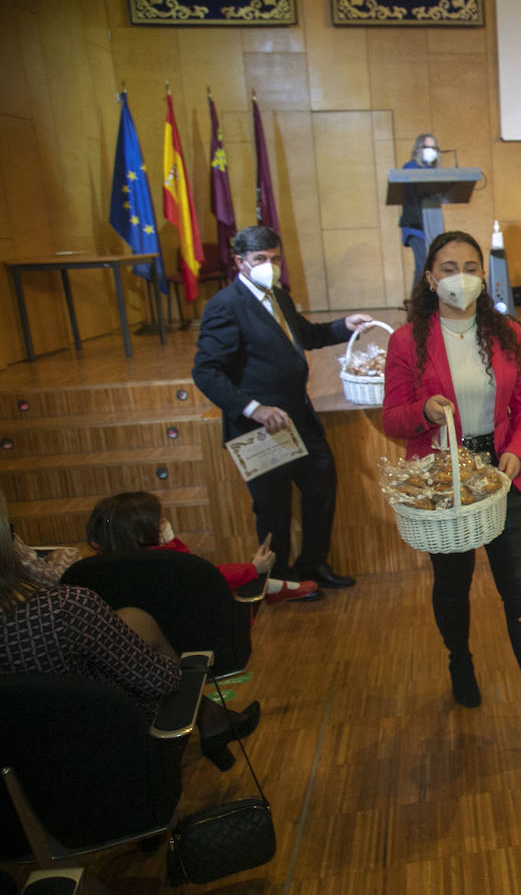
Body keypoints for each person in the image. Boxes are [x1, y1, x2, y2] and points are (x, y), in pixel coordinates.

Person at [381, 230, 521, 752]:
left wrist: (519, 447)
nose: (460, 277)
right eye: (448, 267)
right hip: (444, 480)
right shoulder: (407, 341)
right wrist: (423, 411)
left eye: (470, 266)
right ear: (429, 278)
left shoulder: (508, 331)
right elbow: (392, 419)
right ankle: (459, 660)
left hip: (503, 473)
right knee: (453, 583)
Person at [0, 489, 258, 769]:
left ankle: (212, 718)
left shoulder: (77, 584)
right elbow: (162, 680)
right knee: (140, 630)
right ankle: (211, 719)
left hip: (26, 766)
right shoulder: (66, 606)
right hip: (107, 757)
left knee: (134, 619)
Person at [192, 225, 372, 591]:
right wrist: (253, 408)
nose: (269, 266)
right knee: (273, 508)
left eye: (275, 259)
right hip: (259, 426)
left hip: (297, 415)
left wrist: (343, 326)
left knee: (321, 487)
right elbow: (206, 372)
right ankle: (279, 581)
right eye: (260, 260)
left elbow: (303, 335)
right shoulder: (225, 307)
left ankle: (313, 565)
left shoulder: (278, 294)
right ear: (240, 262)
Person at [84, 491, 318, 604]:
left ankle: (276, 588)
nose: (167, 523)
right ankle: (271, 586)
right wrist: (253, 569)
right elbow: (208, 577)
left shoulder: (96, 567)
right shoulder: (167, 561)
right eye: (161, 520)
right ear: (144, 531)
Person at [398, 132, 441, 284]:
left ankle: (426, 303)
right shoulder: (410, 166)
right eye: (426, 147)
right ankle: (417, 305)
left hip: (431, 225)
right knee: (423, 267)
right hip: (415, 225)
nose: (430, 150)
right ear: (418, 149)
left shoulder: (436, 172)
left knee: (432, 267)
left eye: (433, 147)